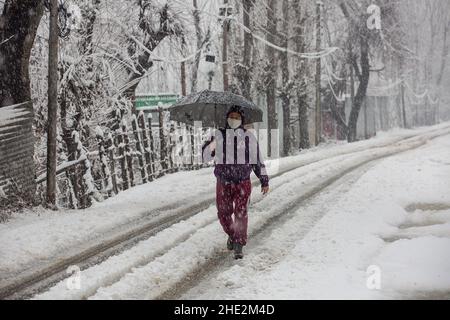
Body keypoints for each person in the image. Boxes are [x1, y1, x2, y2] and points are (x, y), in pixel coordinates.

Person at [202, 106, 270, 259]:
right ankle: (233, 234)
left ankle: (239, 244)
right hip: (223, 181)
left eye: (237, 117)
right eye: (231, 116)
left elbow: (257, 160)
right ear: (226, 118)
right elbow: (205, 156)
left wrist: (264, 179)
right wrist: (212, 144)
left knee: (241, 213)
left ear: (242, 120)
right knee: (223, 214)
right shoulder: (218, 135)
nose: (233, 119)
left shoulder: (248, 138)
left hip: (242, 182)